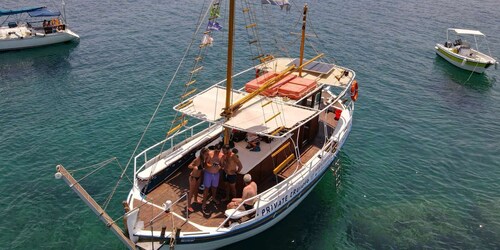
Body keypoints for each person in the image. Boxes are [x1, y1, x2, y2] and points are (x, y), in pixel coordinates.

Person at [201, 145, 222, 211]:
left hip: (216, 174)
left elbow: (222, 165)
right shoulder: (209, 154)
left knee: (214, 187)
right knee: (206, 188)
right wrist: (211, 164)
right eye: (216, 150)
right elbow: (205, 164)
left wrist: (218, 166)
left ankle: (213, 198)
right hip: (208, 174)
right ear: (214, 149)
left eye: (218, 150)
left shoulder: (221, 155)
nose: (217, 152)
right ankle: (204, 202)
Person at [187, 148, 208, 212]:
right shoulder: (197, 159)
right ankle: (189, 205)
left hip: (198, 177)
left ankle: (195, 199)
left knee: (196, 189)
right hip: (193, 177)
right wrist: (194, 167)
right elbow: (189, 166)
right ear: (203, 153)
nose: (207, 155)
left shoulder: (204, 160)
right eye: (206, 154)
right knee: (191, 191)